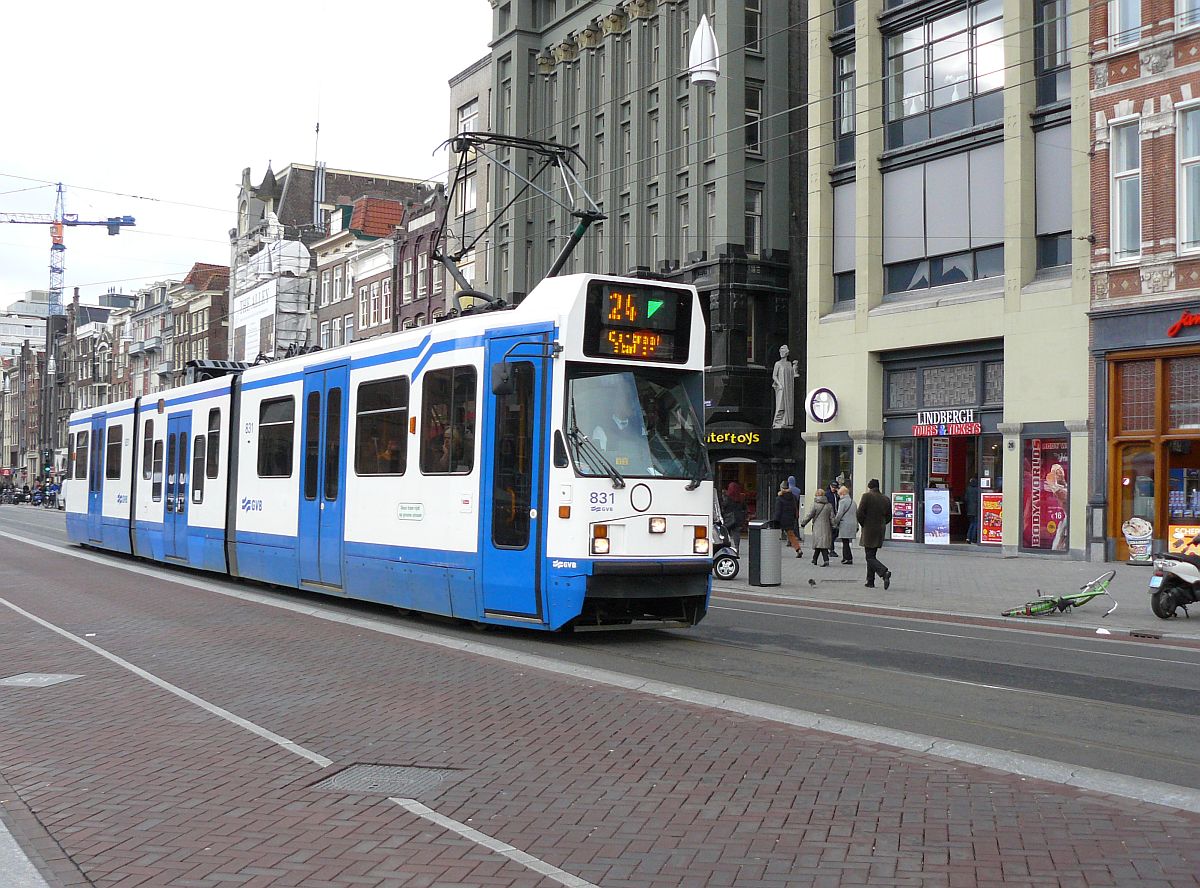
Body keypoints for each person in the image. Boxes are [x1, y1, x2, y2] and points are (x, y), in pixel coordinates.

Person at [858, 479, 893, 589]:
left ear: (870, 487)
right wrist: (882, 524)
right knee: (872, 555)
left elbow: (859, 513)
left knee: (869, 557)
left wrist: (864, 523)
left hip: (869, 529)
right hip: (880, 530)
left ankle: (883, 572)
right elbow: (889, 516)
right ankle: (870, 581)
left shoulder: (866, 496)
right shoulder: (885, 499)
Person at [800, 488, 834, 567]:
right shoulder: (829, 505)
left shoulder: (815, 504)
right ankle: (814, 559)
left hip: (817, 527)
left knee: (820, 544)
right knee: (821, 543)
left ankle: (826, 560)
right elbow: (832, 517)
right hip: (826, 527)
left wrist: (803, 523)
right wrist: (834, 525)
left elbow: (809, 515)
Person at [772, 480, 803, 557]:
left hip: (781, 520)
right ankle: (798, 549)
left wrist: (775, 520)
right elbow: (795, 508)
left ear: (781, 488)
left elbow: (778, 511)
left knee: (776, 535)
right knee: (791, 535)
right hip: (790, 519)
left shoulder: (779, 498)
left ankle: (773, 551)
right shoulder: (792, 497)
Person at [771, 345, 799, 429]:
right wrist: (779, 384)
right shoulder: (778, 364)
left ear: (786, 353)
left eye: (783, 351)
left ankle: (786, 421)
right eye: (780, 351)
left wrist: (795, 369)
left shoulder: (789, 364)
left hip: (789, 387)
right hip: (781, 388)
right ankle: (777, 422)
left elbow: (793, 375)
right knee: (780, 405)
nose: (781, 353)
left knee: (788, 404)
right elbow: (774, 376)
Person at [719, 481, 748, 552]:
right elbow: (745, 508)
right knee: (736, 534)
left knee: (725, 533)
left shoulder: (727, 498)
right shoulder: (741, 498)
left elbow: (723, 507)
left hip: (729, 519)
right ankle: (736, 548)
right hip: (738, 519)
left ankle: (726, 547)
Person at [833, 485, 858, 564]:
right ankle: (846, 557)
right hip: (853, 523)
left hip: (845, 524)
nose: (839, 496)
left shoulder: (842, 502)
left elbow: (840, 513)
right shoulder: (853, 502)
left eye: (840, 494)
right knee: (846, 541)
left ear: (842, 493)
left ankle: (848, 558)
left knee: (845, 541)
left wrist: (835, 522)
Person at [964, 476, 980, 543]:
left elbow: (965, 499)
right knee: (975, 524)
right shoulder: (978, 489)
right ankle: (973, 538)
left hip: (969, 510)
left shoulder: (968, 489)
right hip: (976, 509)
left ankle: (968, 537)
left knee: (972, 523)